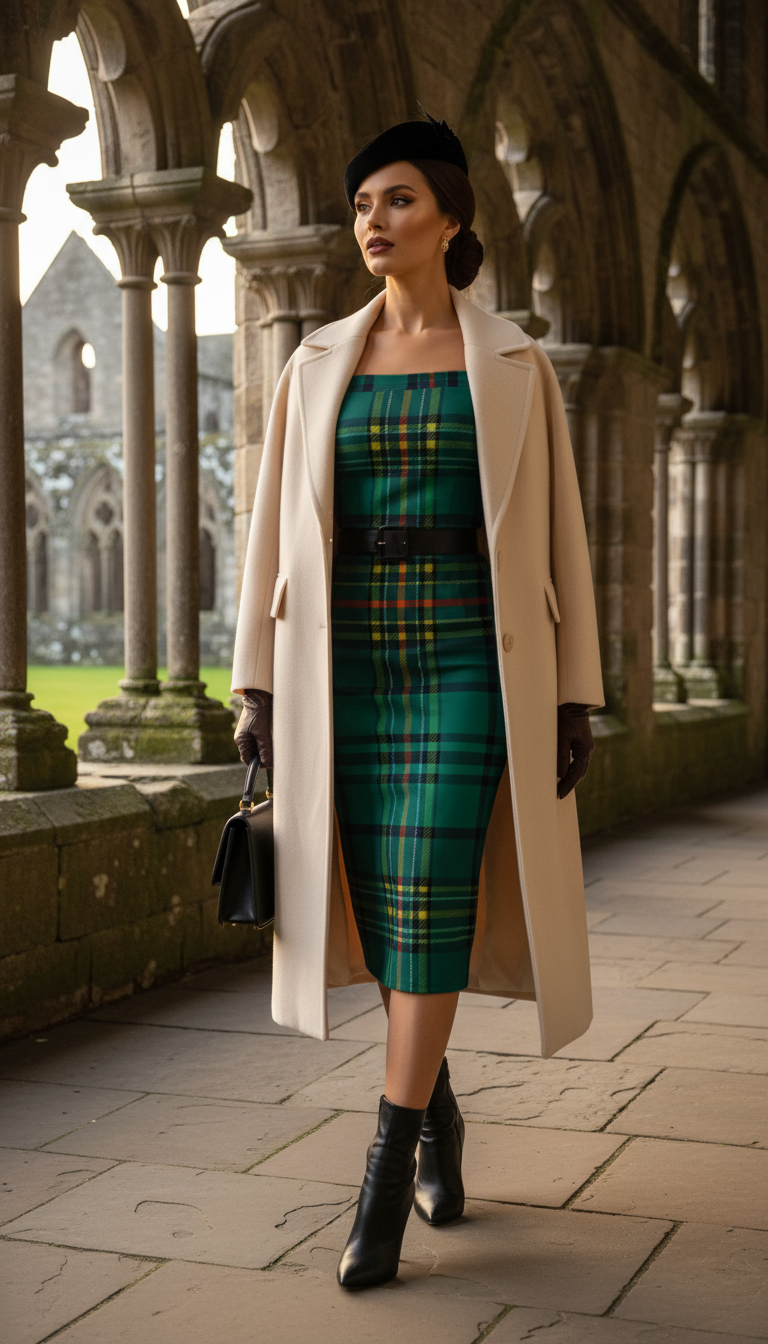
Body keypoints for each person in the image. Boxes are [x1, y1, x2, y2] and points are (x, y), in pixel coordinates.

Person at [231, 114, 604, 1290]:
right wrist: (253, 677)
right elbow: (270, 532)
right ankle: (438, 1116)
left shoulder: (517, 363)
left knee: (432, 875)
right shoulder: (313, 362)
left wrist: (574, 695)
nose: (371, 223)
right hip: (343, 660)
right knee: (386, 900)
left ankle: (384, 1176)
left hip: (467, 662)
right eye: (358, 208)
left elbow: (563, 540)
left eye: (394, 201)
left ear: (451, 215)